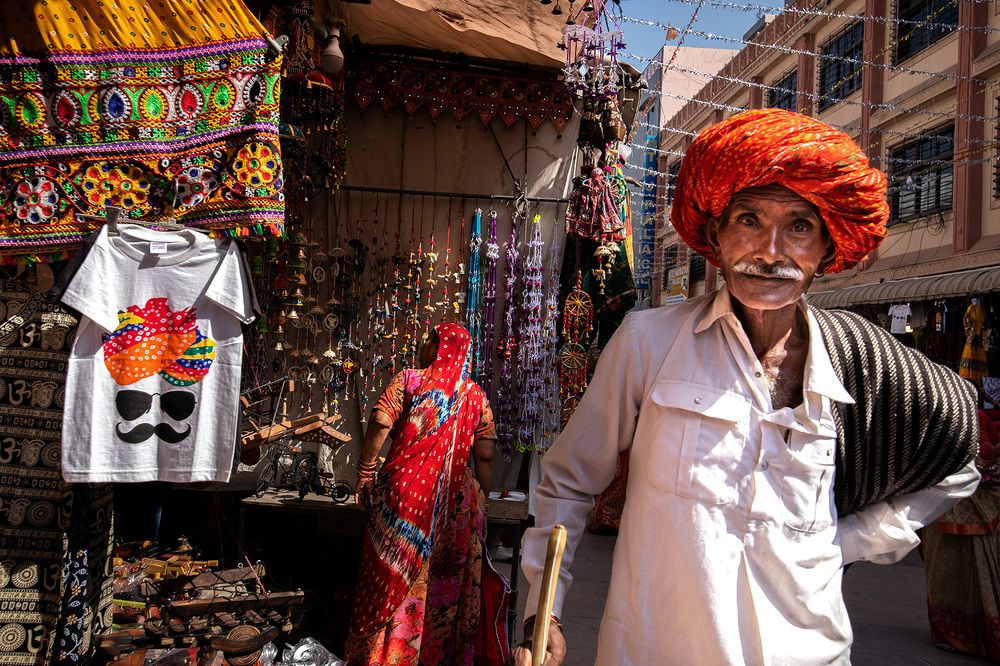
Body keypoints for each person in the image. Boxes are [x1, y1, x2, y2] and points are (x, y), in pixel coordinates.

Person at [513, 108, 982, 665]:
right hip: (658, 648)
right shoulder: (648, 342)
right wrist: (544, 611)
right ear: (716, 234)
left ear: (827, 248)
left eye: (799, 227)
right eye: (749, 220)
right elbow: (568, 483)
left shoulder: (859, 361)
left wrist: (846, 541)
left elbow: (960, 463)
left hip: (809, 651)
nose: (769, 250)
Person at [346, 323, 497, 666]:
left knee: (389, 579)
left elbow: (381, 422)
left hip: (404, 499)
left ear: (439, 347)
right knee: (443, 584)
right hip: (456, 505)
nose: (422, 345)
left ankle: (382, 657)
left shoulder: (409, 381)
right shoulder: (476, 396)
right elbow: (485, 456)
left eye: (429, 339)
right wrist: (482, 499)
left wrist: (365, 472)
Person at [921, 408, 1000, 661]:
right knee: (950, 570)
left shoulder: (974, 416)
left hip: (962, 503)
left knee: (963, 569)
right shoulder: (963, 416)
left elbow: (985, 454)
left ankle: (959, 632)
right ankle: (954, 632)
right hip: (951, 503)